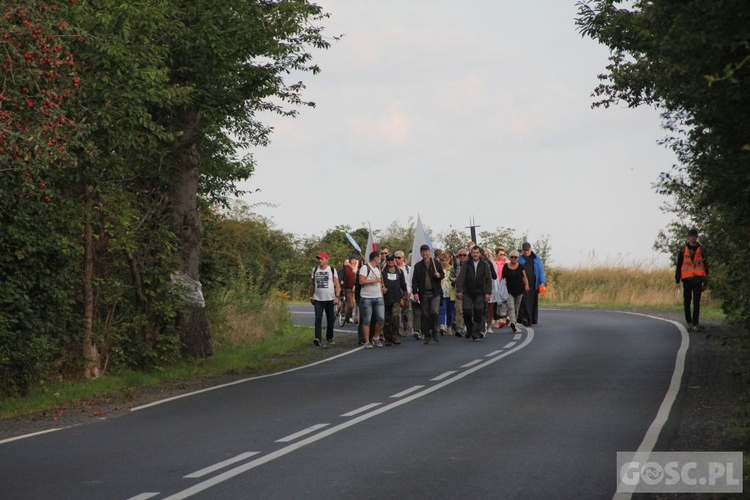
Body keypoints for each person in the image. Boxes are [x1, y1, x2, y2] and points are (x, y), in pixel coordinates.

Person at [456, 245, 493, 341]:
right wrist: (459, 290)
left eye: (477, 253)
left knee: (478, 311)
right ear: (471, 254)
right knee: (467, 311)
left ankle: (476, 333)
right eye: (473, 253)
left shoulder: (485, 265)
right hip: (468, 291)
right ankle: (470, 328)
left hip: (480, 292)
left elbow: (489, 279)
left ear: (480, 254)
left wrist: (488, 293)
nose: (475, 254)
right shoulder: (466, 264)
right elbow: (461, 277)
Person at [676, 227, 709, 332]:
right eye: (691, 236)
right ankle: (689, 322)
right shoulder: (683, 249)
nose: (692, 238)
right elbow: (679, 265)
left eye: (694, 236)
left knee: (696, 302)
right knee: (687, 301)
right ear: (688, 237)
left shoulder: (702, 249)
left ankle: (695, 324)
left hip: (698, 279)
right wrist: (677, 280)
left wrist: (705, 280)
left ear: (697, 237)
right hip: (686, 279)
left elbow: (706, 265)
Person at [412, 244, 445, 344]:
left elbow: (442, 275)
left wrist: (439, 275)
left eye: (426, 251)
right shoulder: (418, 265)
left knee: (434, 312)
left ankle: (435, 331)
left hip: (435, 292)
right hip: (423, 293)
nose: (424, 253)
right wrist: (415, 292)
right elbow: (415, 280)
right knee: (425, 315)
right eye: (422, 251)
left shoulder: (435, 263)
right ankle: (427, 334)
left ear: (429, 252)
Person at [309, 252, 341, 347]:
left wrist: (337, 297)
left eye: (322, 259)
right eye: (319, 259)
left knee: (330, 319)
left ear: (327, 259)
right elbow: (312, 284)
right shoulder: (315, 270)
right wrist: (311, 296)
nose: (320, 261)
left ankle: (330, 337)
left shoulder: (332, 270)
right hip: (318, 299)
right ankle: (317, 338)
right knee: (318, 318)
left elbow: (337, 284)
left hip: (330, 299)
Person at [359, 250, 386, 348]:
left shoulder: (377, 269)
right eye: (379, 258)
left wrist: (382, 293)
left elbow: (379, 284)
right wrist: (374, 280)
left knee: (381, 319)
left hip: (378, 297)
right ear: (375, 258)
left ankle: (376, 337)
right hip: (367, 298)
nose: (380, 259)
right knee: (367, 320)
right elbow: (361, 281)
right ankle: (367, 341)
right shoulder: (364, 268)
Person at [517, 242, 546, 326]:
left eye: (527, 250)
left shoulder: (536, 258)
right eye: (524, 250)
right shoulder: (520, 259)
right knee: (524, 302)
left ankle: (532, 319)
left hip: (534, 284)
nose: (526, 252)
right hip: (523, 284)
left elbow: (541, 271)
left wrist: (542, 282)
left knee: (532, 302)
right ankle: (525, 318)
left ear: (530, 249)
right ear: (522, 250)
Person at [382, 254, 407, 345]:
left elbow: (403, 285)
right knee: (387, 318)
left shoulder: (399, 271)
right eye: (388, 260)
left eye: (392, 260)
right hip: (385, 298)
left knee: (395, 317)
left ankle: (395, 336)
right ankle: (387, 338)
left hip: (396, 297)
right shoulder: (382, 271)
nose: (390, 262)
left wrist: (406, 296)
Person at [502, 250, 529, 333]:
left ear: (517, 258)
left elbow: (524, 277)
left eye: (515, 257)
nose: (513, 259)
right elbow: (502, 278)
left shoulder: (521, 267)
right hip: (509, 290)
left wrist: (526, 285)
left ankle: (514, 322)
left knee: (516, 308)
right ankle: (513, 322)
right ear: (509, 258)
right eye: (512, 257)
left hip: (519, 290)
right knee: (511, 307)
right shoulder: (505, 267)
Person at [394, 250, 414, 339]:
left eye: (399, 258)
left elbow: (410, 281)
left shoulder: (408, 269)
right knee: (396, 313)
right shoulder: (392, 268)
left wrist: (409, 292)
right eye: (395, 257)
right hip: (395, 294)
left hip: (406, 293)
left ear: (403, 258)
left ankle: (404, 329)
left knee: (405, 313)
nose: (397, 259)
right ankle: (397, 330)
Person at [450, 249, 468, 336]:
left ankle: (468, 326)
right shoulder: (455, 264)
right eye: (460, 255)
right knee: (459, 310)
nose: (462, 257)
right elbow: (451, 277)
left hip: (469, 291)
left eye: (464, 255)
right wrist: (457, 280)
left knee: (468, 310)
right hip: (458, 290)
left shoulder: (470, 264)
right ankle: (459, 328)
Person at [438, 251, 456, 336]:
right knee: (442, 309)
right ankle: (442, 326)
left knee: (450, 310)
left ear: (449, 260)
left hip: (451, 292)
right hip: (441, 293)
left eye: (446, 260)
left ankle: (449, 325)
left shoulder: (452, 268)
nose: (444, 262)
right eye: (442, 260)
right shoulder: (438, 269)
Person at [342, 255, 359, 324]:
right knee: (351, 304)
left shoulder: (357, 268)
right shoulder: (347, 267)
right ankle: (347, 315)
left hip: (357, 288)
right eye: (353, 260)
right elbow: (344, 275)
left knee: (357, 304)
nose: (354, 261)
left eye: (355, 260)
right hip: (349, 288)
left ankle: (355, 318)